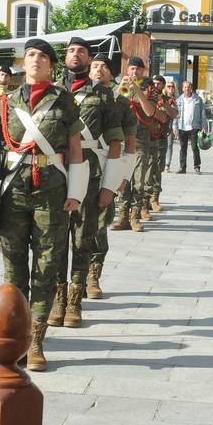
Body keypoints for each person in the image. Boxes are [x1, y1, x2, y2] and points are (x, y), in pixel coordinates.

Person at [0, 38, 86, 372]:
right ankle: (17, 335)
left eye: (42, 56)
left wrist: (76, 191)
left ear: (52, 65)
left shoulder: (64, 101)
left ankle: (36, 340)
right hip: (11, 190)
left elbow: (76, 148)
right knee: (13, 266)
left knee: (48, 264)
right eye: (30, 55)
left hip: (50, 189)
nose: (35, 60)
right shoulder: (6, 101)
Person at [47, 38, 122, 328]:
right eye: (70, 50)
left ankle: (75, 302)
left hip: (89, 176)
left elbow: (115, 142)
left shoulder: (103, 96)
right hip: (54, 174)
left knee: (82, 240)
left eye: (81, 51)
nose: (74, 54)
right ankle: (57, 299)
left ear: (90, 60)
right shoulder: (52, 92)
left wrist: (110, 186)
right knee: (53, 242)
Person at [88, 54, 134, 297]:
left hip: (107, 164)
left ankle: (93, 276)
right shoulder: (75, 96)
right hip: (77, 165)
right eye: (94, 66)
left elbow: (130, 141)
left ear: (111, 73)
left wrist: (123, 172)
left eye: (104, 66)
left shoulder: (120, 101)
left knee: (99, 224)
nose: (99, 70)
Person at [120, 57, 159, 231]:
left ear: (143, 71)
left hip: (140, 138)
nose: (134, 72)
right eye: (131, 69)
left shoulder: (150, 88)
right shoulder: (120, 84)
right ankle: (122, 217)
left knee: (138, 180)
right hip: (121, 139)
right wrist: (119, 88)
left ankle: (135, 217)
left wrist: (138, 91)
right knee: (122, 179)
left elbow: (150, 111)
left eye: (137, 69)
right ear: (127, 70)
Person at [174, 79, 205, 173]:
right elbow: (175, 114)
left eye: (188, 87)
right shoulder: (178, 100)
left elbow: (202, 113)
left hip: (194, 126)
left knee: (195, 147)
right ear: (182, 88)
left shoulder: (197, 99)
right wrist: (174, 126)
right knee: (183, 148)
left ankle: (197, 166)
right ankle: (182, 167)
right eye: (185, 87)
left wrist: (204, 126)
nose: (187, 89)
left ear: (191, 88)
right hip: (182, 126)